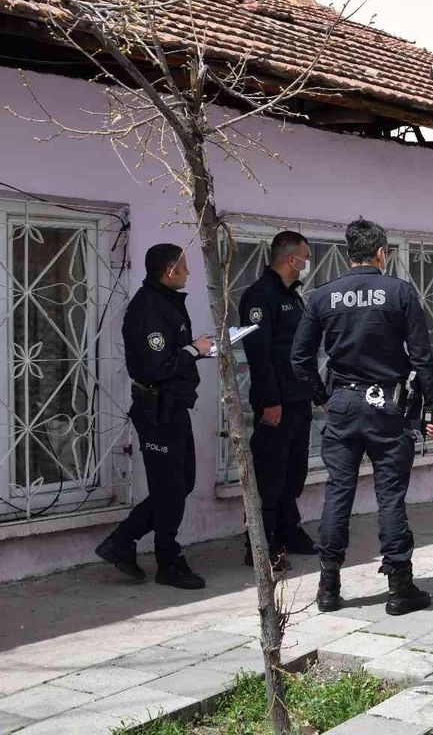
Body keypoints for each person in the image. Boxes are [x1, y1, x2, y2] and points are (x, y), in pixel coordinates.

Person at [292, 218, 433, 617]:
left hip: (343, 405)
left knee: (338, 492)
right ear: (381, 253)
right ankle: (399, 588)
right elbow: (422, 357)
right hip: (387, 408)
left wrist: (324, 397)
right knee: (390, 496)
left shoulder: (322, 296)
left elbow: (300, 359)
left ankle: (328, 587)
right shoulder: (400, 292)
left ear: (349, 254)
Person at [95, 244, 211, 590]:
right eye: (184, 266)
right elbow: (157, 366)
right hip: (156, 410)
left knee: (181, 483)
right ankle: (167, 561)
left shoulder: (167, 302)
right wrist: (194, 350)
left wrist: (196, 350)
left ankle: (121, 542)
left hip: (173, 406)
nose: (188, 272)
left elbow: (172, 354)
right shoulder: (149, 308)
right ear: (170, 270)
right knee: (169, 487)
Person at [238, 231, 318, 571]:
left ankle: (288, 529)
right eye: (305, 257)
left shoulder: (293, 296)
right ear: (290, 259)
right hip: (276, 402)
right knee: (269, 475)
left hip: (298, 399)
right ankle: (260, 543)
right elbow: (259, 355)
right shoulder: (260, 297)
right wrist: (271, 400)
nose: (307, 262)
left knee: (293, 472)